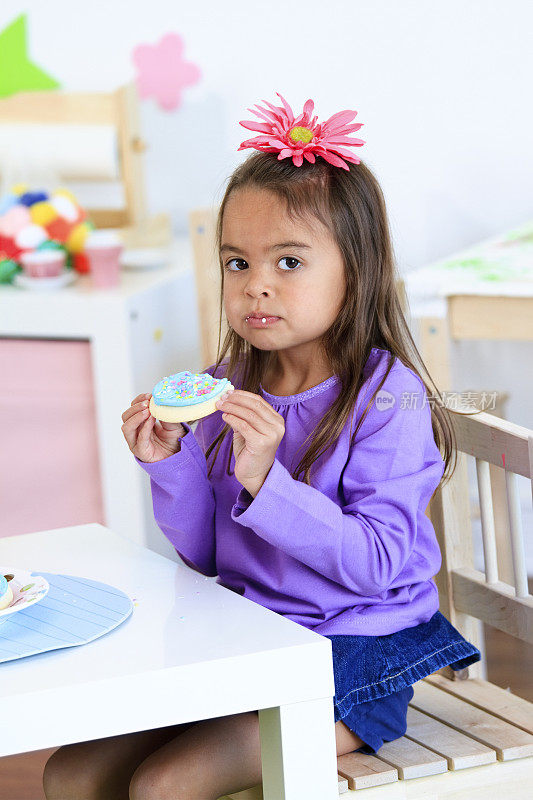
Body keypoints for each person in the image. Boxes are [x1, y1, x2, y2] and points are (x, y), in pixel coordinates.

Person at [43, 92, 481, 800]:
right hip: (247, 638)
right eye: (237, 264)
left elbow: (376, 566)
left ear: (354, 268)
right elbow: (209, 557)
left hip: (358, 652)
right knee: (72, 773)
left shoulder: (385, 399)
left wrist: (265, 482)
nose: (256, 289)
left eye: (288, 262)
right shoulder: (225, 387)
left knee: (163, 785)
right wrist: (172, 465)